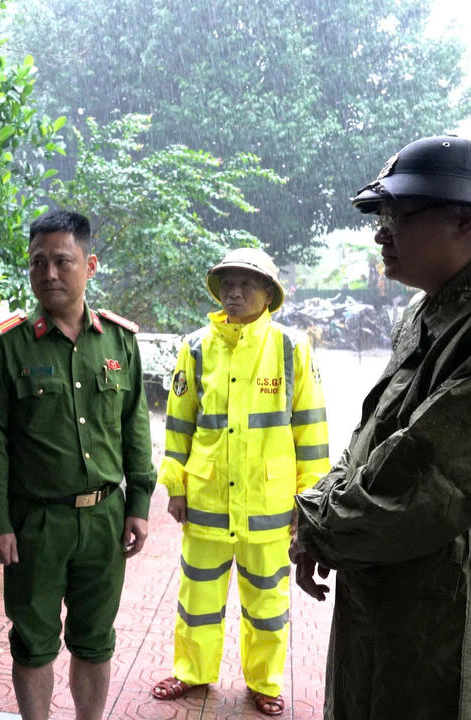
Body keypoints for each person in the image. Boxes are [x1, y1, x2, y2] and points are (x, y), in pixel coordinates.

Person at [288, 136, 471, 719]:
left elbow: (426, 482)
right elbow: (375, 436)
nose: (381, 232)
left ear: (463, 219)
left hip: (456, 619)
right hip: (392, 599)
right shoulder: (436, 308)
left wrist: (322, 525)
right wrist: (321, 507)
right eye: (382, 216)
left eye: (398, 215)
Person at [0, 209, 154, 720]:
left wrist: (138, 503)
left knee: (95, 640)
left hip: (104, 520)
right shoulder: (6, 346)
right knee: (32, 641)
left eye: (62, 261)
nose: (48, 273)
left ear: (89, 265)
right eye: (37, 263)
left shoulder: (119, 342)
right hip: (35, 524)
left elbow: (135, 428)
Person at [149, 248, 330, 716]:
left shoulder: (292, 350)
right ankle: (192, 672)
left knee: (268, 603)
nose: (234, 291)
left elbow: (309, 431)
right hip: (206, 497)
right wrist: (175, 485)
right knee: (198, 597)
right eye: (227, 282)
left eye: (246, 283)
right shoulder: (195, 347)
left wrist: (308, 501)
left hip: (270, 505)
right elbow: (178, 425)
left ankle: (264, 681)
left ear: (268, 294)